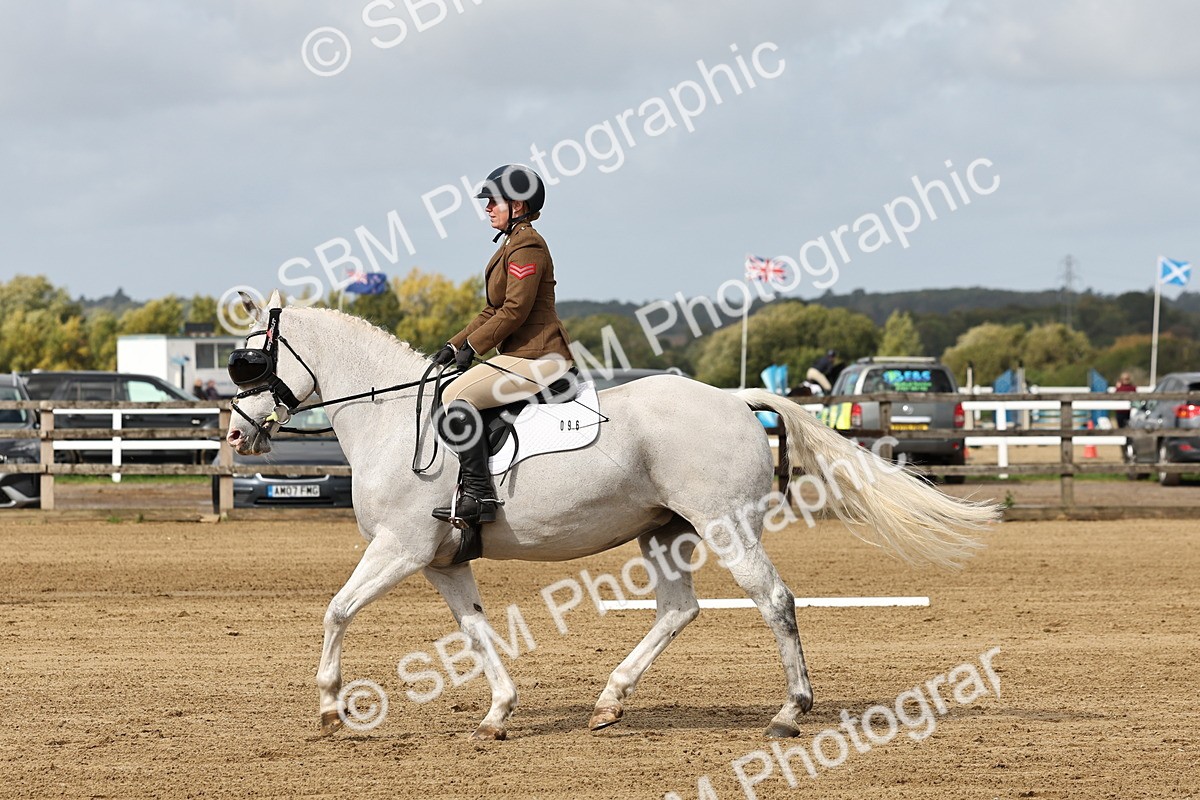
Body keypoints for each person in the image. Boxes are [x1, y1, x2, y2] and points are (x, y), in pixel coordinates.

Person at [429, 164, 574, 529]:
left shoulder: (528, 245)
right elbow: (492, 309)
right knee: (450, 387)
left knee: (457, 398)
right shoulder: (511, 243)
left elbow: (514, 311)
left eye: (494, 201)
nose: (487, 207)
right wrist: (454, 344)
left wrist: (473, 348)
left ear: (519, 205)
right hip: (519, 355)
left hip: (540, 357)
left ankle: (480, 495)